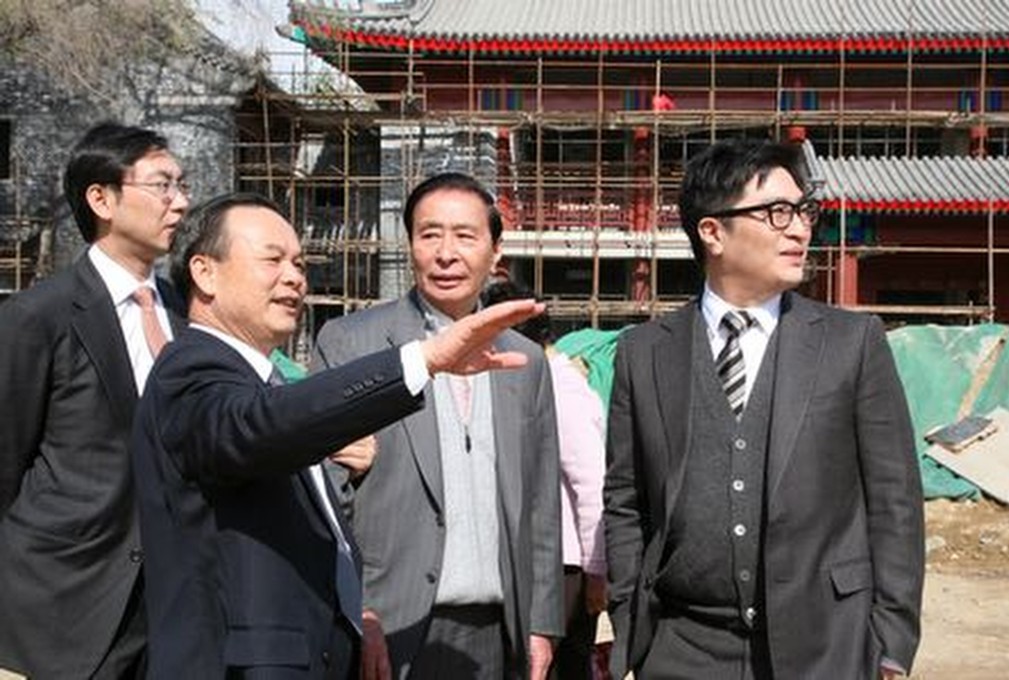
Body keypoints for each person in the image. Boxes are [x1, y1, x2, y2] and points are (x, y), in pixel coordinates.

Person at [131, 192, 543, 679]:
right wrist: (422, 361)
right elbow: (257, 425)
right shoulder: (191, 370)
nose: (294, 277)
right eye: (273, 260)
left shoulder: (263, 380)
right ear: (205, 272)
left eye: (299, 263)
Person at [603, 139, 924, 680]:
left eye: (803, 212)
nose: (800, 229)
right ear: (713, 232)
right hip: (681, 648)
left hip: (826, 645)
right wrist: (631, 619)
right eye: (777, 213)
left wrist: (890, 643)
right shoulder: (644, 353)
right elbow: (625, 501)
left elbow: (894, 501)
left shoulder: (852, 343)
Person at [312, 173, 563, 680]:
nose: (446, 253)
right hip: (389, 623)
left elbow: (541, 503)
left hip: (497, 628)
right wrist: (358, 607)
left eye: (465, 236)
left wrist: (542, 623)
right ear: (410, 246)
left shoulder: (526, 360)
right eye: (429, 234)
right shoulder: (350, 345)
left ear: (495, 253)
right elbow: (324, 501)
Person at [0, 121, 188, 678]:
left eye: (181, 184)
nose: (179, 202)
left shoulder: (185, 313)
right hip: (60, 606)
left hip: (166, 606)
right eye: (161, 185)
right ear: (101, 198)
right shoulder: (38, 317)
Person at [482, 280, 609, 680]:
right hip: (543, 560)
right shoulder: (535, 377)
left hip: (566, 566)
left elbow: (591, 483)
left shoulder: (562, 386)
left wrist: (597, 572)